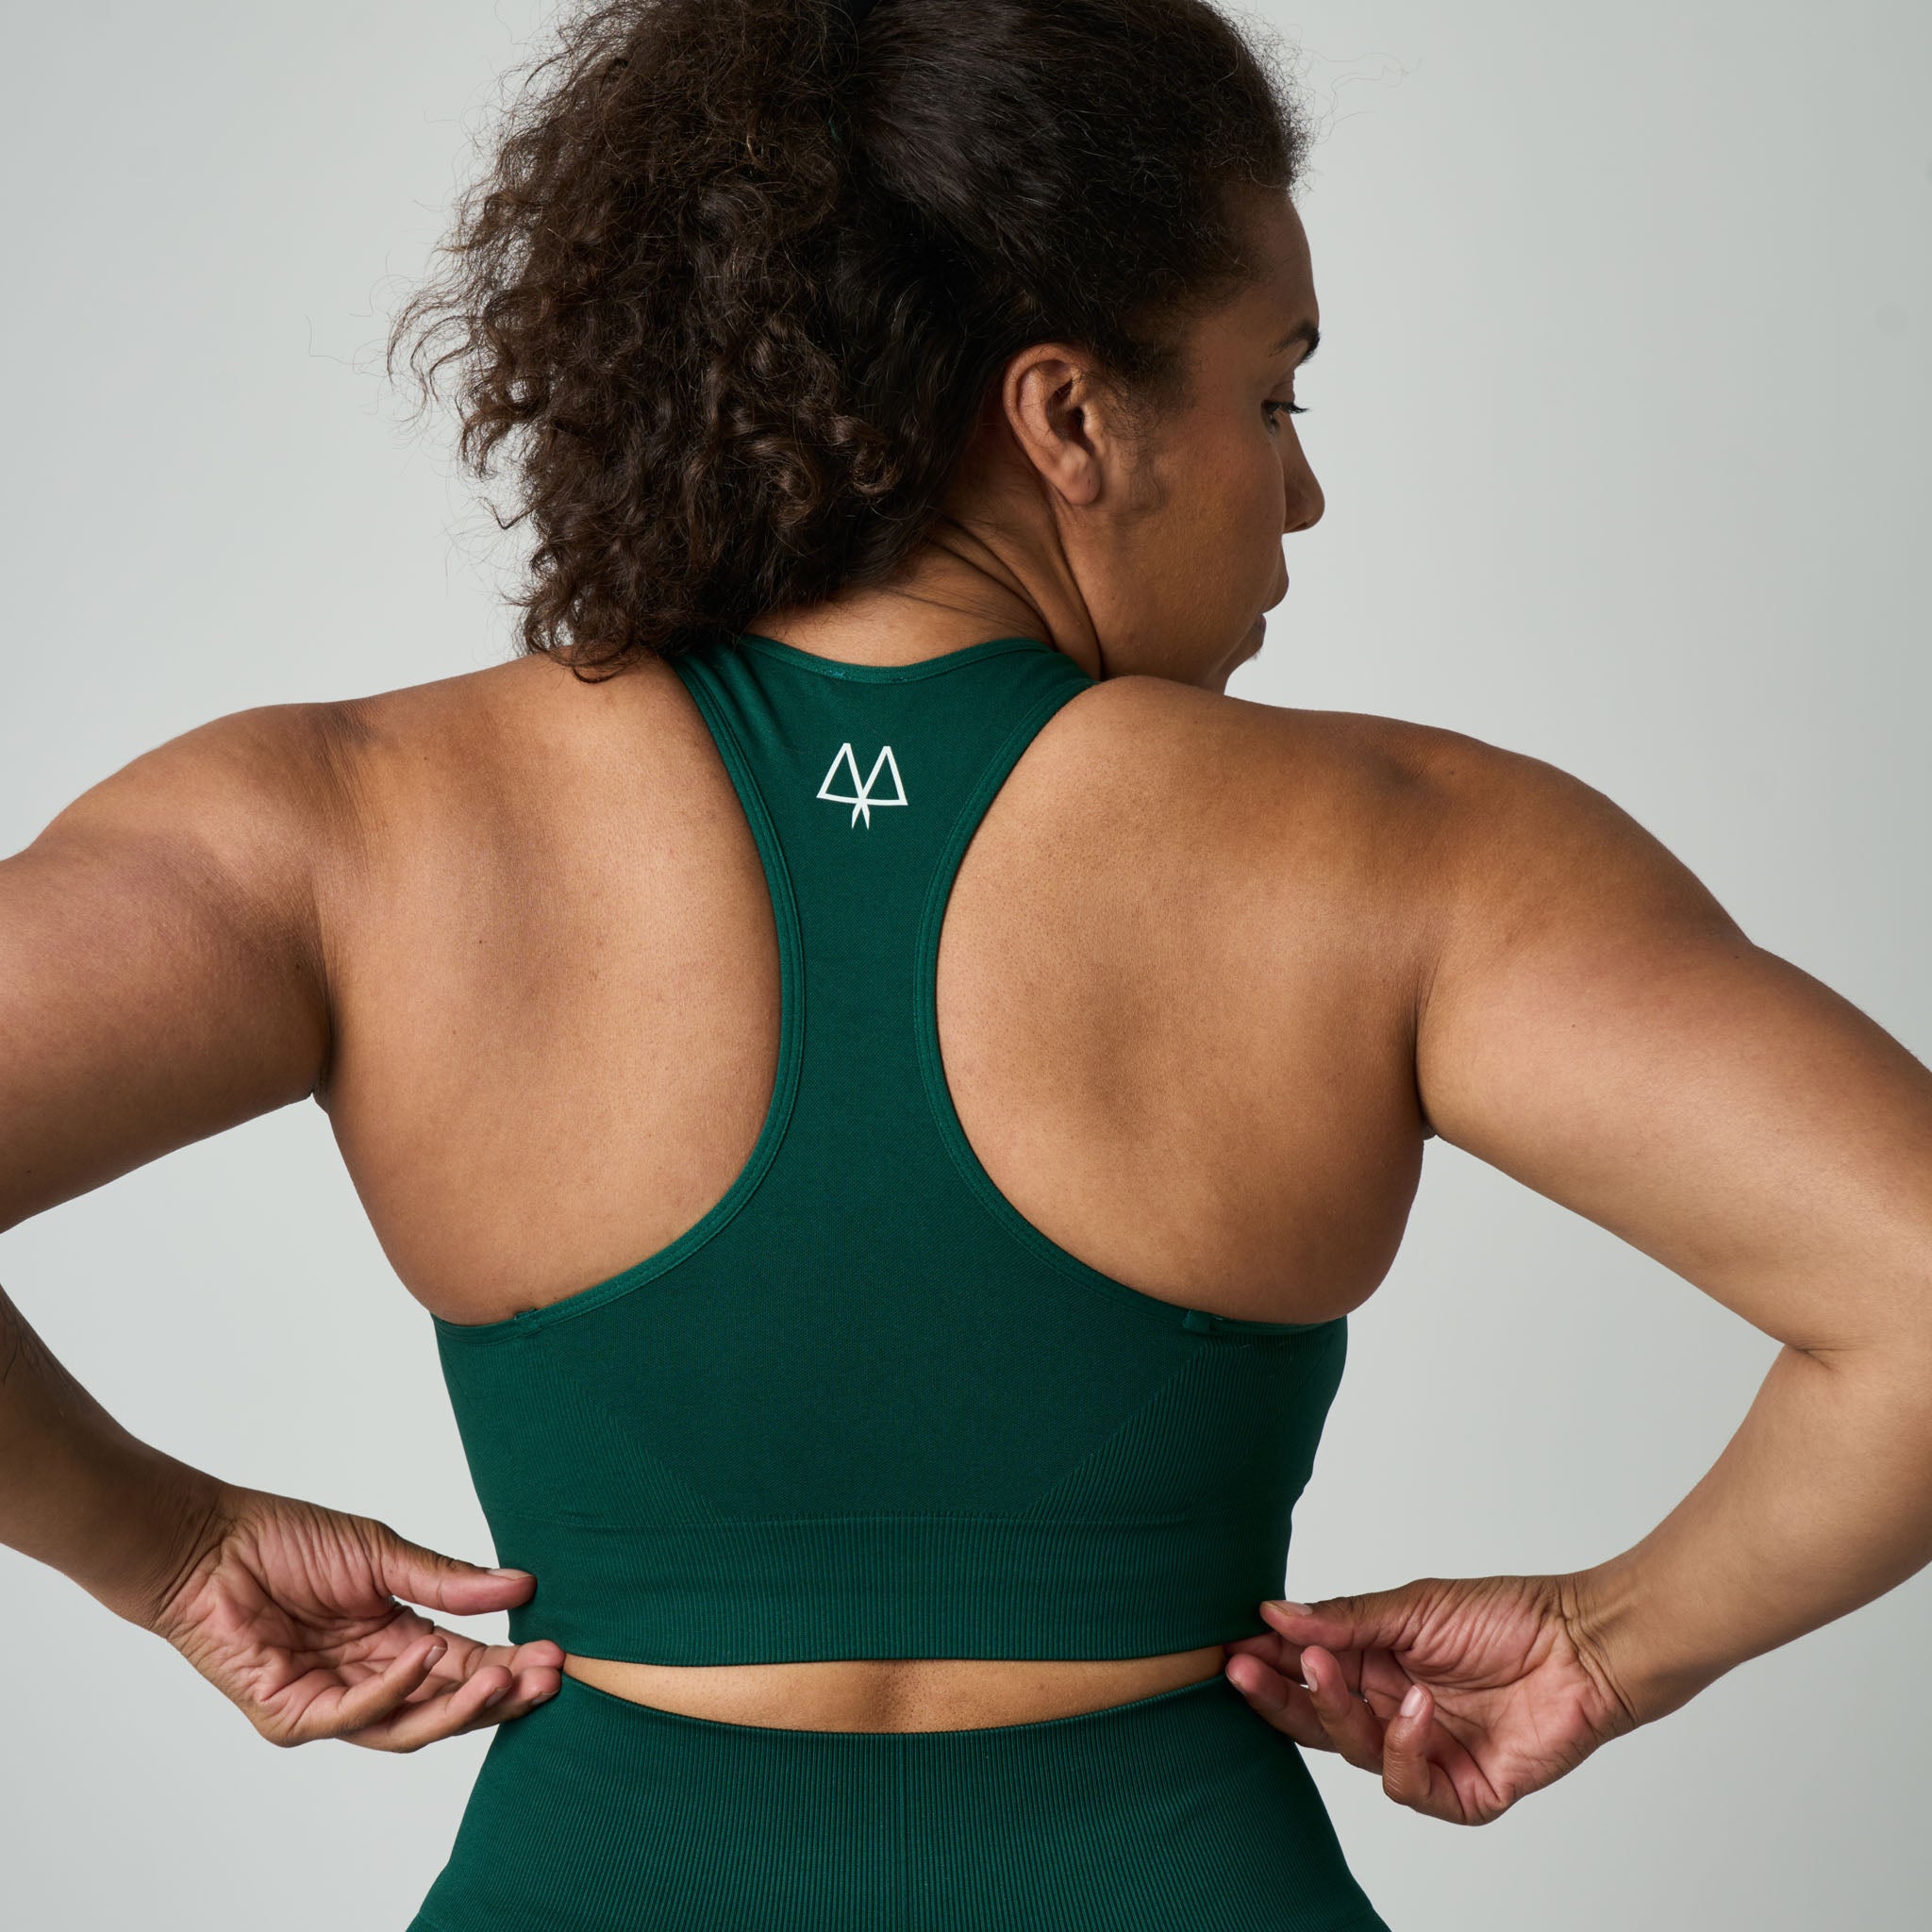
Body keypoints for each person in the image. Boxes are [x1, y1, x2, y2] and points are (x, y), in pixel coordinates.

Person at [4, 0, 1930, 1925]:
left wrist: (161, 1548)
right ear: (1069, 417)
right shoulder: (1410, 853)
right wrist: (1608, 1641)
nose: (1302, 492)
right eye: (1277, 399)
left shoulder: (349, 823)